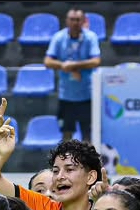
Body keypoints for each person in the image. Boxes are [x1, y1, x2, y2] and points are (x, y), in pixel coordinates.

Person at [43, 7, 101, 142]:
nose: (75, 23)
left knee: (88, 136)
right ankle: (67, 157)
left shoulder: (90, 37)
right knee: (66, 136)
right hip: (66, 97)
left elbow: (96, 61)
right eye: (72, 19)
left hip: (87, 96)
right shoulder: (58, 38)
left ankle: (88, 157)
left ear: (83, 21)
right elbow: (47, 61)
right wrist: (64, 66)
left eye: (78, 20)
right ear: (67, 21)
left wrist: (74, 66)